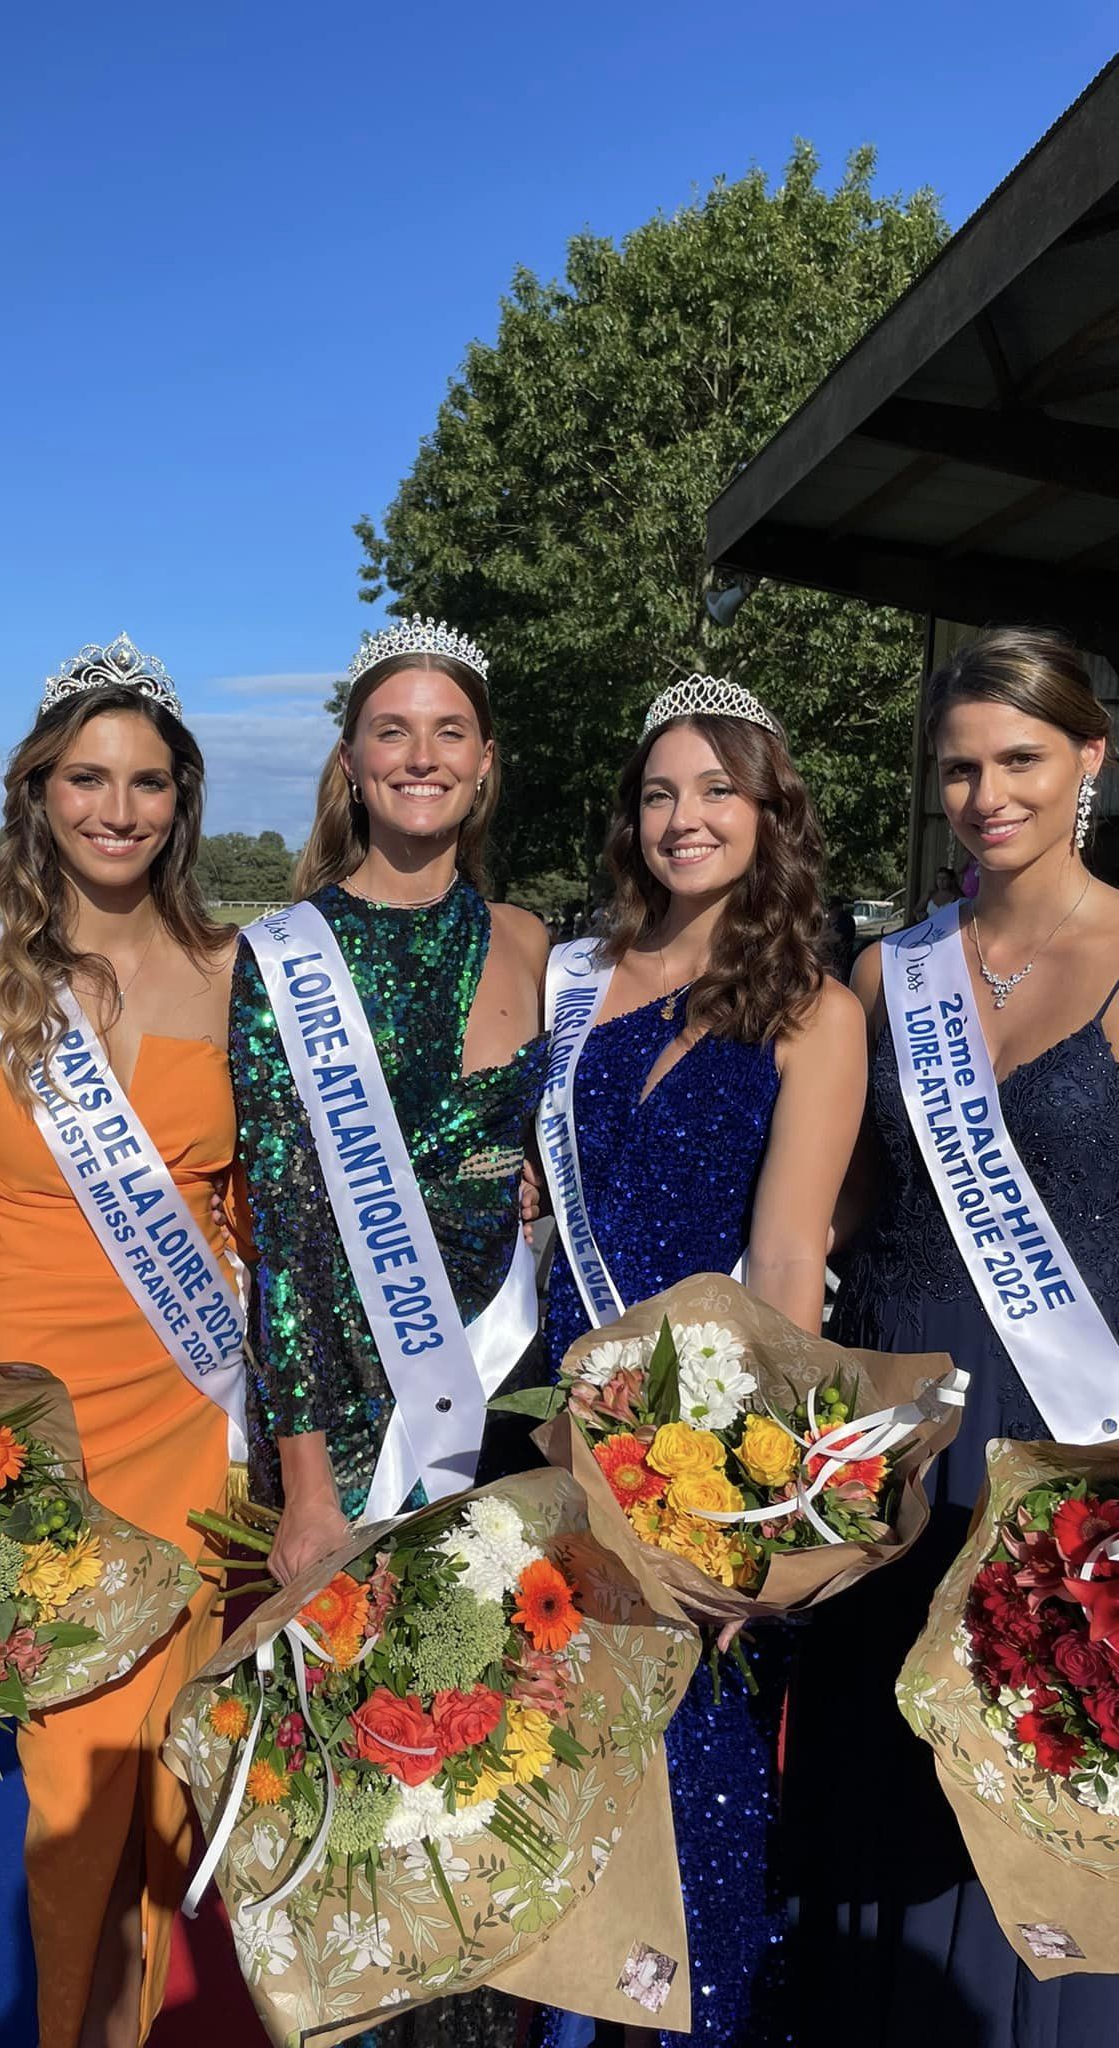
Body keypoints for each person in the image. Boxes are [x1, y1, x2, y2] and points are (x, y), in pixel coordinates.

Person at [0, 635, 244, 2048]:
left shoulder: (234, 971)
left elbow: (270, 1224)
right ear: (38, 792)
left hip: (198, 1427)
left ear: (181, 799)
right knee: (66, 1791)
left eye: (147, 781)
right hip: (34, 1446)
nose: (118, 809)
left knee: (168, 1789)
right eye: (87, 777)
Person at [785, 627, 1119, 2048]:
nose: (989, 795)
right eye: (962, 768)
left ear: (1091, 759)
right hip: (897, 1452)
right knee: (879, 1805)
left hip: (1063, 1448)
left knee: (1033, 1809)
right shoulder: (890, 972)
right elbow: (843, 1210)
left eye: (1022, 760)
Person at [531, 674, 866, 2048]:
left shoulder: (815, 1012)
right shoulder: (577, 979)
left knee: (693, 1810)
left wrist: (754, 1521)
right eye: (661, 792)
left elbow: (789, 1270)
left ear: (769, 811)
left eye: (717, 789)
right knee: (550, 1804)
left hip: (691, 1470)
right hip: (549, 1440)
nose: (685, 817)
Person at [229, 617, 549, 2048]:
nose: (421, 758)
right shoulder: (283, 955)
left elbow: (550, 1157)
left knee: (490, 1786)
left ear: (483, 768)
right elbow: (286, 1235)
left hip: (493, 1407)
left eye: (450, 734)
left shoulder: (538, 943)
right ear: (353, 765)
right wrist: (304, 1488)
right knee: (353, 1815)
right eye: (391, 733)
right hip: (346, 1428)